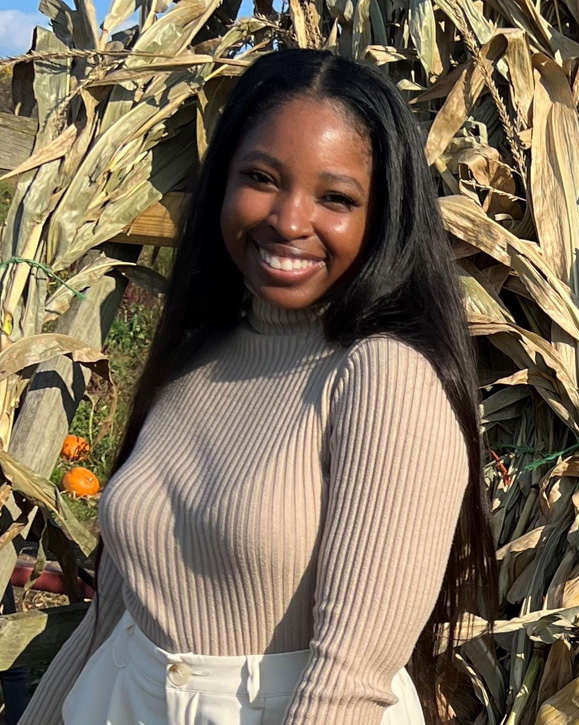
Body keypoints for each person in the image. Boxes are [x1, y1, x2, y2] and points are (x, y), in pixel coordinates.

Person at [18, 48, 496, 725]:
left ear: (380, 214)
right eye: (263, 178)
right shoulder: (196, 356)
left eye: (336, 197)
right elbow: (115, 616)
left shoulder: (385, 378)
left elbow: (349, 678)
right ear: (223, 182)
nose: (290, 219)